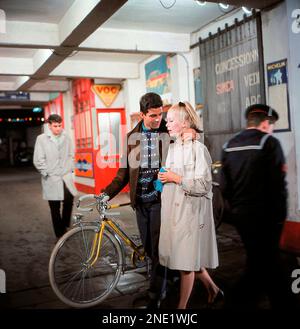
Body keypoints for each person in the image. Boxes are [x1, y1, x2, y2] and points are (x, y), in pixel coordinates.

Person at [101, 93, 221, 308]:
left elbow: (197, 143)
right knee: (152, 249)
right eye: (153, 116)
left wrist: (194, 133)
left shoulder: (168, 130)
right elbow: (123, 172)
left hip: (162, 201)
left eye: (161, 115)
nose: (159, 120)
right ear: (142, 114)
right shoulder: (131, 138)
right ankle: (199, 284)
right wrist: (106, 193)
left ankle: (156, 295)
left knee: (160, 251)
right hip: (141, 202)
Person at [220, 104, 296, 309]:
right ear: (265, 123)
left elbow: (225, 187)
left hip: (241, 217)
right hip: (266, 217)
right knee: (264, 264)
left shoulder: (229, 145)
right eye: (272, 125)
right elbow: (278, 186)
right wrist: (280, 217)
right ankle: (235, 301)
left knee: (262, 262)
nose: (272, 130)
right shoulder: (268, 143)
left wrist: (236, 210)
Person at [158, 101, 219, 309]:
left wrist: (176, 178)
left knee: (185, 264)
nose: (166, 123)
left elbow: (203, 184)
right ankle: (214, 289)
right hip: (173, 213)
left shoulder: (198, 150)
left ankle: (181, 309)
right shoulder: (173, 149)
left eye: (171, 120)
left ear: (184, 123)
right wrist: (161, 180)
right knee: (186, 257)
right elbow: (169, 176)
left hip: (190, 213)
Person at [33, 114, 77, 238]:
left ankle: (64, 224)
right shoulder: (41, 139)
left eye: (59, 125)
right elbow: (38, 159)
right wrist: (46, 172)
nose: (58, 128)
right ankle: (59, 233)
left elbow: (71, 155)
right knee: (55, 206)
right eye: (55, 126)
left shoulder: (66, 137)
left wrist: (69, 168)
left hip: (65, 175)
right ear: (50, 126)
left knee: (69, 199)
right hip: (51, 177)